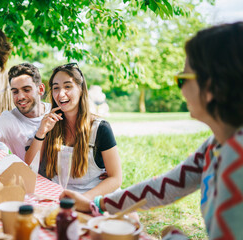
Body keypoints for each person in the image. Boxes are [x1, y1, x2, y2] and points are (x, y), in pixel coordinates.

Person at [61, 22, 243, 239]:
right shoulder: (217, 144)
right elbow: (165, 186)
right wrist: (98, 204)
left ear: (211, 87)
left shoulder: (237, 158)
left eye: (182, 79)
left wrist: (172, 236)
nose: (180, 89)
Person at [25, 63, 122, 200]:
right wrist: (41, 132)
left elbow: (116, 178)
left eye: (68, 86)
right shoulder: (50, 124)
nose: (61, 94)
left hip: (93, 197)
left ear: (81, 89)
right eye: (56, 88)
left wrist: (83, 199)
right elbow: (29, 166)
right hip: (58, 197)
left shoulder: (100, 128)